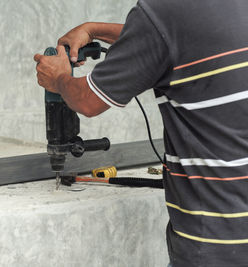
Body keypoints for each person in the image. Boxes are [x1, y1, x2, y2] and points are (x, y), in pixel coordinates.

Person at [34, 0, 248, 266]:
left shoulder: (164, 11)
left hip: (218, 241)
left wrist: (58, 79)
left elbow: (88, 101)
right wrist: (95, 29)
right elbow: (173, 35)